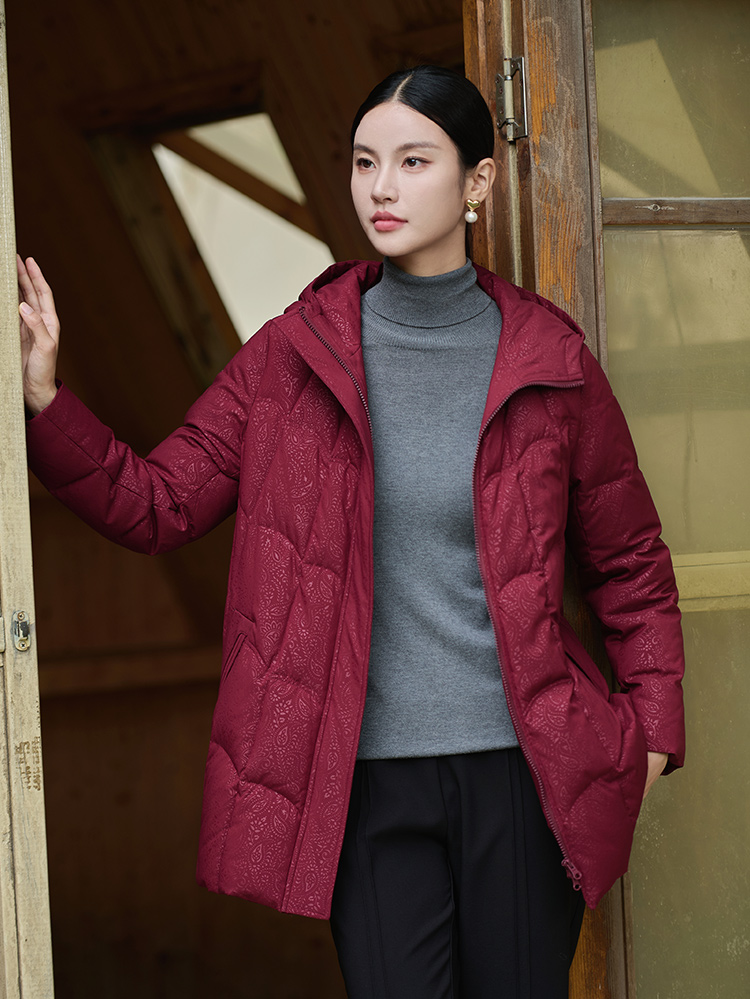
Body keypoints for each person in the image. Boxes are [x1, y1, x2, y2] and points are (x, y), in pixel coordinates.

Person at [19, 65, 684, 999]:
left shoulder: (549, 357)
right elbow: (158, 503)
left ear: (478, 182)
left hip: (524, 776)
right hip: (366, 785)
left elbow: (631, 562)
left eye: (414, 161)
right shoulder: (292, 357)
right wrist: (46, 399)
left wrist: (654, 729)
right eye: (366, 161)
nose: (382, 187)